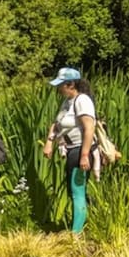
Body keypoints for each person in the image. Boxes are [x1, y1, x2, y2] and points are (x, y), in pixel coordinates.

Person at [42, 68, 95, 235]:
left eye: (61, 85)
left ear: (71, 84)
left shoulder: (82, 100)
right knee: (73, 190)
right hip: (71, 150)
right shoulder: (67, 102)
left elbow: (89, 128)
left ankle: (76, 233)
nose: (58, 89)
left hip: (81, 149)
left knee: (77, 190)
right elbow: (56, 124)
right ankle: (80, 225)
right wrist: (49, 142)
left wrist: (85, 155)